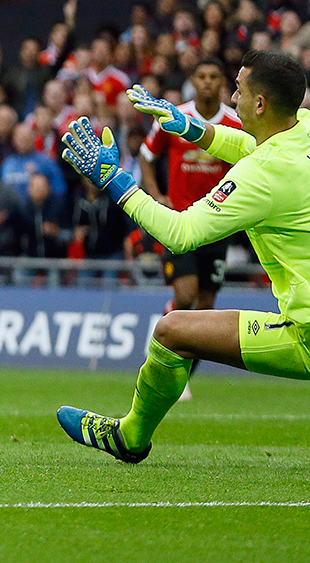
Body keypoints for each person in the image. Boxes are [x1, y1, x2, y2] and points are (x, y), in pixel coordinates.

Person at [57, 50, 310, 463]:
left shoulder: (263, 175)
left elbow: (181, 233)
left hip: (306, 334)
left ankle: (130, 436)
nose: (233, 97)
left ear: (261, 103)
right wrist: (193, 129)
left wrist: (115, 180)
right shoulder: (303, 128)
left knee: (171, 331)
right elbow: (249, 144)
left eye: (239, 90)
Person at [139, 59, 242, 400]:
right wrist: (157, 196)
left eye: (214, 76)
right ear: (192, 81)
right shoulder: (174, 117)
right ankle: (161, 342)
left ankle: (181, 375)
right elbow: (146, 155)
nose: (208, 82)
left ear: (222, 82)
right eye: (202, 76)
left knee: (206, 306)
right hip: (181, 223)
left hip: (218, 225)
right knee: (185, 296)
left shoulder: (235, 123)